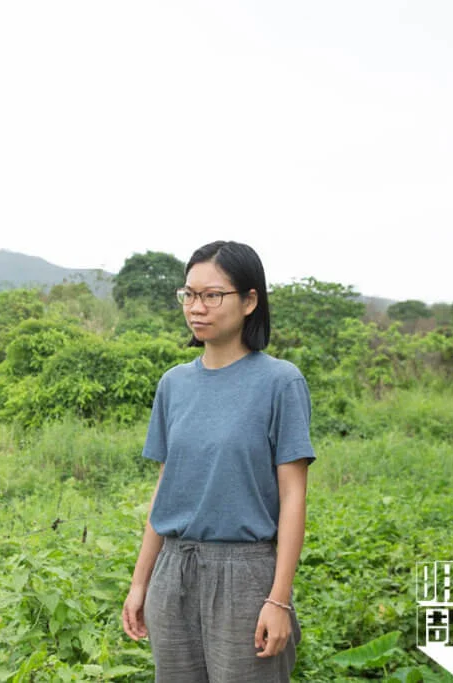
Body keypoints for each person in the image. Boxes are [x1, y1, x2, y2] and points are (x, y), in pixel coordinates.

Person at [121, 240, 315, 682]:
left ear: (250, 301)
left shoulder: (280, 383)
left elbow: (293, 495)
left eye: (213, 295)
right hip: (174, 572)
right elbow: (166, 488)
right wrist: (140, 583)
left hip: (247, 576)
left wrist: (279, 599)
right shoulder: (174, 385)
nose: (197, 307)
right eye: (189, 294)